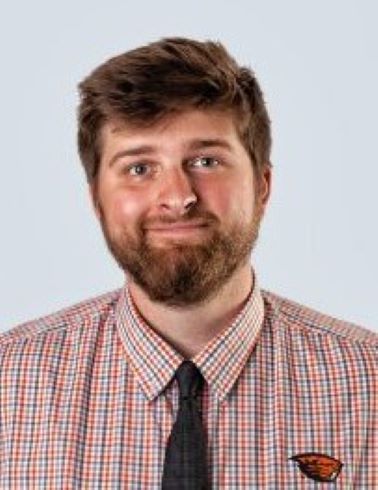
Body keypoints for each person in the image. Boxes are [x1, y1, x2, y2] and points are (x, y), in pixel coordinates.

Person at [0, 37, 376, 489]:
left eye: (206, 160)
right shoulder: (9, 382)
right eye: (139, 168)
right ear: (97, 200)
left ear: (262, 186)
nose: (178, 197)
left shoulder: (369, 384)